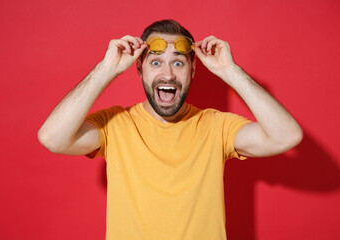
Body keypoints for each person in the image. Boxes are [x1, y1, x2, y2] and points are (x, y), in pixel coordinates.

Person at [38, 19, 303, 240]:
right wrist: (106, 69)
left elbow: (286, 136)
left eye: (178, 63)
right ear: (139, 68)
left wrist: (230, 71)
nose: (168, 74)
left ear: (193, 70)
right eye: (155, 63)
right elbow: (52, 138)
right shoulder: (115, 124)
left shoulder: (216, 126)